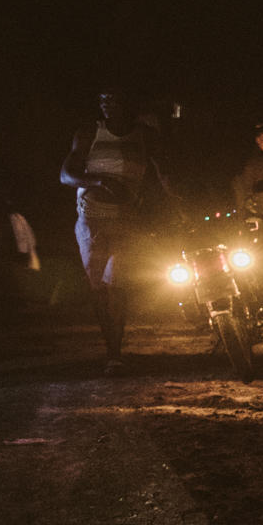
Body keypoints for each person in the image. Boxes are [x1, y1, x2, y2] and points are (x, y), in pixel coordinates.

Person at [59, 90, 173, 375]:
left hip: (126, 221)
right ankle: (111, 346)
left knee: (119, 286)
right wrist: (100, 182)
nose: (108, 106)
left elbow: (165, 174)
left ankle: (114, 354)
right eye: (103, 101)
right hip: (91, 221)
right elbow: (65, 174)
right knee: (98, 288)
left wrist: (178, 202)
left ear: (129, 104)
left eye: (115, 100)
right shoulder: (89, 133)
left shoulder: (145, 136)